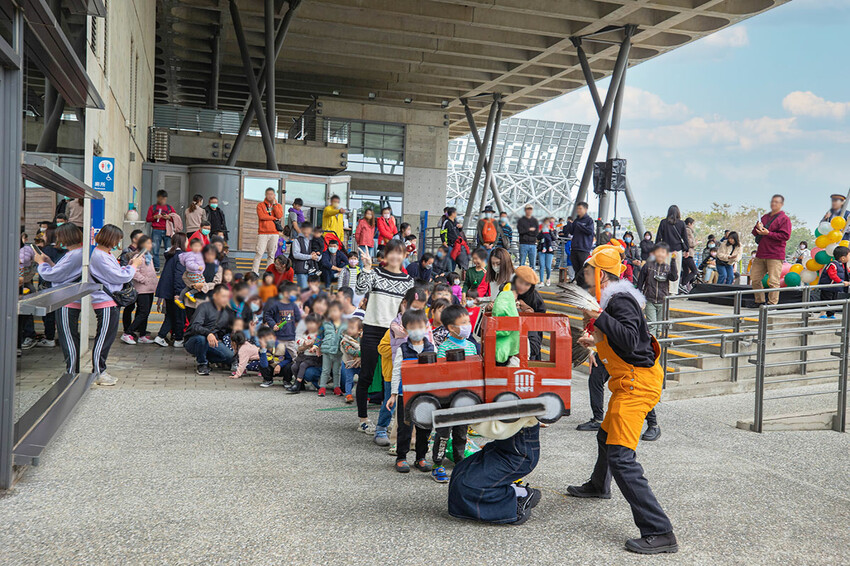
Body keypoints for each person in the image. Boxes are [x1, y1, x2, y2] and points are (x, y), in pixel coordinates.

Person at [567, 246, 677, 554]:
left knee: (622, 456)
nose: (584, 278)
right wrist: (595, 341)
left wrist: (599, 319)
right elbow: (626, 341)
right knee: (606, 435)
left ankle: (660, 531)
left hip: (638, 385)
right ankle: (599, 485)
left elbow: (629, 339)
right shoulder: (614, 301)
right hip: (629, 382)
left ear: (601, 274)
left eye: (588, 273)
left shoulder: (619, 301)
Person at [354, 239, 414, 434]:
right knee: (367, 375)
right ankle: (363, 419)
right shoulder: (376, 273)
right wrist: (367, 268)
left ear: (405, 255)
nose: (395, 256)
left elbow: (410, 309)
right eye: (391, 252)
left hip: (395, 332)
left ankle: (387, 421)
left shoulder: (409, 281)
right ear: (385, 255)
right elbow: (360, 289)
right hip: (372, 328)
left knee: (392, 378)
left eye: (399, 252)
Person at [89, 224, 143, 386]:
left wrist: (130, 265)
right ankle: (98, 372)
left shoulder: (105, 254)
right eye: (118, 239)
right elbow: (120, 277)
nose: (119, 242)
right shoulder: (100, 256)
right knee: (103, 338)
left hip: (109, 300)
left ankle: (101, 370)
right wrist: (134, 266)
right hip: (105, 301)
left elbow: (117, 274)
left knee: (107, 337)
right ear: (111, 238)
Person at [386, 308, 434, 474]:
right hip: (404, 394)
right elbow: (396, 372)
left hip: (426, 396)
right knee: (405, 428)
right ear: (405, 329)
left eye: (420, 326)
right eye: (412, 327)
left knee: (424, 428)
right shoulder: (403, 349)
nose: (417, 330)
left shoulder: (432, 348)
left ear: (426, 326)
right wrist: (393, 395)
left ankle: (421, 457)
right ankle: (401, 457)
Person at [32, 224, 84, 373]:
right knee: (69, 335)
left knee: (67, 336)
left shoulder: (74, 254)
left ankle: (72, 370)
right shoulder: (75, 253)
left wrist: (41, 263)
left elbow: (52, 275)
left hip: (66, 300)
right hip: (68, 298)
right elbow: (60, 272)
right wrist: (48, 262)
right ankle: (72, 368)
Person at [183, 284, 235, 375]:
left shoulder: (228, 312)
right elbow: (195, 326)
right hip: (194, 340)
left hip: (213, 341)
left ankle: (207, 358)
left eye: (227, 297)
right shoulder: (204, 307)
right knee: (201, 339)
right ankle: (202, 364)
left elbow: (229, 329)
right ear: (215, 296)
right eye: (223, 296)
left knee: (230, 356)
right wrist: (208, 333)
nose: (226, 299)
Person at [751, 194, 792, 305]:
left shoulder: (784, 219)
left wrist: (768, 233)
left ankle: (772, 303)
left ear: (781, 204)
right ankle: (759, 301)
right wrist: (757, 227)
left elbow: (785, 236)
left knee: (774, 281)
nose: (774, 204)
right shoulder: (764, 217)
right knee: (755, 278)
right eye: (772, 201)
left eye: (777, 202)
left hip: (775, 254)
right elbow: (755, 233)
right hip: (761, 253)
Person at [154, 233, 188, 348]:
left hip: (168, 291)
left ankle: (161, 336)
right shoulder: (181, 256)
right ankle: (178, 339)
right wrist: (179, 293)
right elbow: (179, 276)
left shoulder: (171, 255)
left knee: (171, 315)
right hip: (176, 292)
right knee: (179, 316)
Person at [121, 235, 157, 345]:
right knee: (143, 312)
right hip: (142, 290)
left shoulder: (148, 257)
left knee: (145, 313)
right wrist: (144, 280)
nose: (151, 245)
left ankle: (142, 335)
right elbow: (133, 272)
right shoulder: (138, 257)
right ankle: (128, 333)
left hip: (150, 289)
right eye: (148, 243)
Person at [636, 243, 677, 334]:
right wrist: (639, 299)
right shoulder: (647, 266)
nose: (660, 254)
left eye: (663, 252)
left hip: (663, 301)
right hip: (650, 300)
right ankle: (652, 347)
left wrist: (673, 261)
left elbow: (674, 277)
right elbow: (640, 283)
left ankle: (658, 345)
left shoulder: (668, 268)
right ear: (654, 253)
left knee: (660, 327)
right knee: (652, 325)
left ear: (666, 254)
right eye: (658, 251)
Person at [654, 205, 688, 296]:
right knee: (675, 270)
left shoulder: (663, 222)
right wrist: (687, 250)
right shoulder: (681, 223)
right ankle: (673, 291)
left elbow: (659, 237)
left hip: (666, 251)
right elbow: (685, 237)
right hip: (677, 251)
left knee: (664, 270)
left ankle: (664, 289)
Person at [513, 266, 546, 360]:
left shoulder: (536, 299)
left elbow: (541, 324)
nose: (522, 287)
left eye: (527, 284)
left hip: (530, 339)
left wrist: (529, 312)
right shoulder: (506, 291)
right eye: (520, 282)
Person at [286, 313, 324, 392]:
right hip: (304, 356)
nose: (309, 325)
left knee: (303, 365)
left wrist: (315, 345)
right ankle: (301, 385)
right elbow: (298, 341)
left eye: (312, 323)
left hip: (314, 358)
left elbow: (321, 343)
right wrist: (304, 343)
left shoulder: (319, 334)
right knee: (294, 367)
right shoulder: (305, 333)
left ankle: (297, 384)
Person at [265, 281, 301, 360]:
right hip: (279, 337)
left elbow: (298, 319)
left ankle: (295, 371)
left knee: (295, 357)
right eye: (293, 294)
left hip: (291, 337)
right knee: (278, 356)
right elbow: (268, 315)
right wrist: (273, 324)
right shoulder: (276, 305)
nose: (295, 296)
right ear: (285, 293)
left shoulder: (294, 305)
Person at [253, 187, 284, 274]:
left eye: (271, 194)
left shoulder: (278, 205)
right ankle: (254, 272)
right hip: (263, 233)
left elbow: (279, 215)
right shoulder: (260, 205)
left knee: (271, 255)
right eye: (268, 194)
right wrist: (273, 218)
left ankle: (268, 273)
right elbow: (262, 216)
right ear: (265, 195)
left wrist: (274, 205)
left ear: (274, 195)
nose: (270, 196)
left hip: (274, 233)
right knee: (259, 253)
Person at [319, 301, 347, 396]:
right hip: (327, 350)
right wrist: (316, 345)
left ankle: (336, 387)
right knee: (325, 370)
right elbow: (320, 335)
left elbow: (347, 336)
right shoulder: (325, 323)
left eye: (335, 311)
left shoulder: (345, 324)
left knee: (336, 371)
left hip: (338, 351)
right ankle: (322, 387)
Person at [564, 201, 594, 288]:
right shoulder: (576, 220)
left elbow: (590, 231)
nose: (578, 210)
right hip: (574, 248)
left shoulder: (589, 220)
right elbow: (572, 232)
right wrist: (570, 225)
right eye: (577, 208)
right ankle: (579, 286)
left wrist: (579, 225)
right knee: (576, 269)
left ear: (585, 209)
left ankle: (584, 287)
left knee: (583, 270)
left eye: (580, 208)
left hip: (583, 248)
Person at [146, 190, 176, 270]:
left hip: (167, 231)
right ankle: (156, 268)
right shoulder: (153, 207)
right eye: (162, 199)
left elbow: (175, 218)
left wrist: (169, 217)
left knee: (169, 250)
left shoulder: (169, 208)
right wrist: (154, 217)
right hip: (156, 230)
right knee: (155, 250)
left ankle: (168, 267)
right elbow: (148, 219)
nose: (163, 201)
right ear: (158, 198)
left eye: (165, 199)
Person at [818, 246, 850, 318]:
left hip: (835, 287)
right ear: (843, 258)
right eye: (849, 255)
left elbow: (846, 272)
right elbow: (832, 275)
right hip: (828, 287)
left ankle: (831, 314)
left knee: (834, 301)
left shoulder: (842, 265)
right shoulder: (833, 264)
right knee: (826, 300)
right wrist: (841, 281)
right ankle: (822, 313)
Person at [290, 221, 321, 289]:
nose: (307, 231)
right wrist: (310, 257)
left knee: (313, 290)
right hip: (301, 269)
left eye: (309, 229)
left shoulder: (313, 240)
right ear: (301, 229)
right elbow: (296, 254)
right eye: (305, 229)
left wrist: (316, 255)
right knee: (303, 289)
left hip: (312, 269)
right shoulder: (297, 240)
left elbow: (319, 254)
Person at [340, 317, 362, 403]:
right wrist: (361, 353)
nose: (349, 330)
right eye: (348, 327)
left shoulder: (363, 338)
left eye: (352, 328)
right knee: (349, 379)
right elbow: (350, 351)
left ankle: (362, 394)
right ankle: (348, 394)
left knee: (362, 379)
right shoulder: (346, 339)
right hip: (348, 362)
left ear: (360, 330)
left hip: (360, 363)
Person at [537, 217, 556, 287]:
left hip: (550, 250)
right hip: (541, 249)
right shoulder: (541, 228)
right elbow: (537, 237)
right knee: (542, 266)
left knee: (548, 266)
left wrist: (550, 231)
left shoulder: (553, 229)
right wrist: (541, 231)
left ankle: (548, 278)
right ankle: (541, 281)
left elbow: (554, 238)